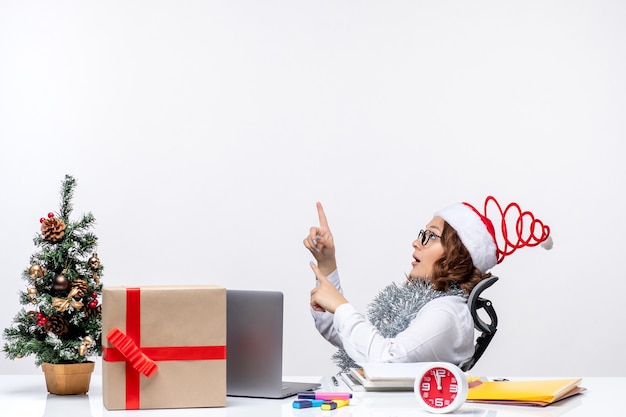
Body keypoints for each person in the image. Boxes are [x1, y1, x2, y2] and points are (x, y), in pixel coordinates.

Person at [304, 197, 551, 371]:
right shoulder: (426, 305)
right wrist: (327, 266)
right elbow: (350, 338)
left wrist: (342, 307)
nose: (416, 242)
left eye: (430, 236)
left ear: (459, 253)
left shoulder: (447, 314)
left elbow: (383, 361)